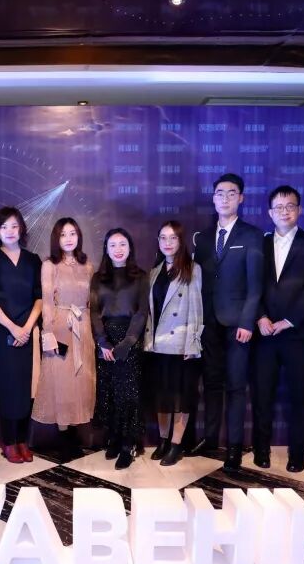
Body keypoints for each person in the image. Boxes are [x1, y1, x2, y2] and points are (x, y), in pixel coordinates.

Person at [190, 173, 265, 472]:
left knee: (235, 386)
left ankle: (234, 448)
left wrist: (247, 322)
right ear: (213, 198)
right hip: (208, 323)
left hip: (238, 325)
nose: (225, 198)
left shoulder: (252, 235)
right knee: (211, 383)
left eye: (231, 193)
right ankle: (210, 440)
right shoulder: (202, 238)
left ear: (241, 198)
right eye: (220, 193)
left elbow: (256, 285)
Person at [251, 186, 304, 473]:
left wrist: (290, 320)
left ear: (299, 210)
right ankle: (261, 450)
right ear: (270, 212)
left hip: (297, 333)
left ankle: (298, 453)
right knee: (262, 395)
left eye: (290, 206)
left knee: (299, 396)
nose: (284, 211)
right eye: (279, 207)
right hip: (264, 333)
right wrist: (260, 317)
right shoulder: (259, 243)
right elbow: (252, 284)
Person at [0, 207, 43, 463]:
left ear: (22, 229)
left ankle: (23, 440)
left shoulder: (33, 260)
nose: (10, 231)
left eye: (14, 226)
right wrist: (13, 328)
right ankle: (8, 441)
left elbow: (39, 297)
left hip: (29, 332)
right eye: (4, 226)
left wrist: (27, 328)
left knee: (27, 387)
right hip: (2, 333)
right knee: (7, 387)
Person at [32, 218, 97, 461]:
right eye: (63, 234)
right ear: (56, 238)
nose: (68, 238)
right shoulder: (50, 265)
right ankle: (63, 438)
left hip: (84, 326)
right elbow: (48, 302)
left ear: (79, 236)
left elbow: (91, 301)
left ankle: (75, 435)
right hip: (60, 326)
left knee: (80, 381)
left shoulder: (87, 265)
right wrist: (48, 333)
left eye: (72, 233)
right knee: (60, 383)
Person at [144, 221, 203, 467]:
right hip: (157, 346)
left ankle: (176, 446)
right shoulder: (154, 271)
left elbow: (197, 309)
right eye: (163, 238)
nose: (167, 243)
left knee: (181, 399)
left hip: (180, 346)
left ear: (181, 241)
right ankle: (163, 441)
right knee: (162, 397)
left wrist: (193, 344)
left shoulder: (192, 269)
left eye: (173, 238)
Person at [90, 228, 148, 470]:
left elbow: (142, 312)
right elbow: (94, 312)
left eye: (122, 243)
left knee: (129, 394)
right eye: (112, 245)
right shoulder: (98, 278)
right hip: (105, 341)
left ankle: (128, 444)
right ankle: (113, 438)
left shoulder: (140, 276)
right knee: (110, 391)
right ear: (106, 248)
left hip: (130, 340)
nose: (118, 249)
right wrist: (102, 342)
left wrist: (127, 343)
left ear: (130, 247)